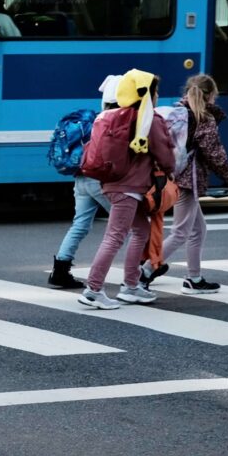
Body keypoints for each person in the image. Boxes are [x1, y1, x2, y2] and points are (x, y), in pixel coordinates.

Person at [78, 69, 175, 309]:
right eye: (156, 91)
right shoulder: (145, 117)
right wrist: (171, 169)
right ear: (146, 94)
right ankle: (93, 289)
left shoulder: (111, 115)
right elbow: (164, 153)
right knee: (115, 237)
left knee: (141, 231)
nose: (158, 95)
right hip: (129, 187)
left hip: (114, 183)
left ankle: (131, 286)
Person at [142, 74, 228, 293]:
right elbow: (215, 154)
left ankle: (194, 278)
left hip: (175, 176)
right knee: (180, 232)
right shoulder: (202, 118)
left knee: (198, 229)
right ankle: (146, 271)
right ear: (211, 96)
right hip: (188, 182)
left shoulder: (177, 112)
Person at [49, 75, 120, 289]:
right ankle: (145, 268)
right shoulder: (112, 121)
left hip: (80, 178)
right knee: (128, 224)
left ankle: (60, 270)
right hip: (98, 180)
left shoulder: (94, 119)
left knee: (80, 224)